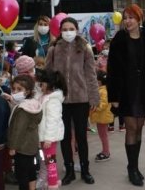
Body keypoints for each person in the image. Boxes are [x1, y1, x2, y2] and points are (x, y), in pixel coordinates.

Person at [107, 4, 145, 186]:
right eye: (125, 18)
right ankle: (132, 168)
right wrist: (113, 97)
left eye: (131, 17)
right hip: (126, 91)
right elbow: (112, 70)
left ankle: (135, 166)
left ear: (139, 19)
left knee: (139, 127)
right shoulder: (119, 40)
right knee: (131, 127)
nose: (127, 21)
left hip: (143, 90)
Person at [44, 16, 99, 185]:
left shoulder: (85, 48)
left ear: (76, 30)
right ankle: (69, 170)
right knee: (65, 136)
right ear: (60, 31)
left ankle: (85, 169)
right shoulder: (54, 49)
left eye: (71, 29)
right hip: (60, 100)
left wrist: (94, 96)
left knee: (81, 136)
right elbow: (48, 73)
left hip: (81, 99)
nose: (68, 32)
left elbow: (91, 74)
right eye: (65, 29)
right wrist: (47, 94)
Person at [7, 75, 43, 190]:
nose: (15, 92)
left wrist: (13, 147)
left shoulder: (23, 109)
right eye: (14, 89)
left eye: (19, 89)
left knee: (22, 175)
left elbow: (18, 130)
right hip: (32, 144)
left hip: (21, 147)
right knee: (31, 170)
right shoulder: (34, 104)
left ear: (27, 91)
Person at [36, 69, 66, 190]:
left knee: (50, 162)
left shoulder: (53, 100)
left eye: (41, 84)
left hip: (49, 137)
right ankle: (53, 181)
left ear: (49, 84)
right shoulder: (44, 96)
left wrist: (49, 138)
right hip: (43, 136)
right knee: (48, 161)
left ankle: (52, 185)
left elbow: (53, 120)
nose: (39, 86)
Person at [91, 71, 113, 162]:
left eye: (96, 80)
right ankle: (105, 151)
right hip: (101, 117)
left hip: (103, 118)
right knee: (102, 135)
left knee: (103, 135)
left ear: (100, 82)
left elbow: (103, 104)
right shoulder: (101, 90)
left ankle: (106, 152)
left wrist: (94, 107)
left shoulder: (103, 91)